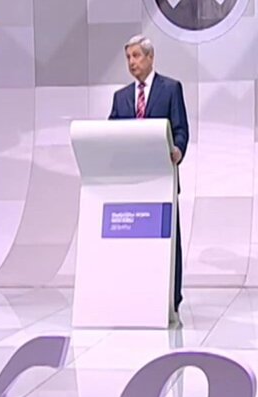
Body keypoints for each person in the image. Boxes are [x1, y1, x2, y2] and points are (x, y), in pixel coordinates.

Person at [109, 35, 190, 321]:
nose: (131, 62)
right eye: (128, 58)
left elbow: (181, 130)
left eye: (136, 56)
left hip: (162, 182)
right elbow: (111, 135)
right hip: (131, 185)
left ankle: (171, 300)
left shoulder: (171, 89)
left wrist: (178, 150)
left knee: (168, 243)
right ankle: (135, 296)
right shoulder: (120, 97)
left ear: (150, 57)